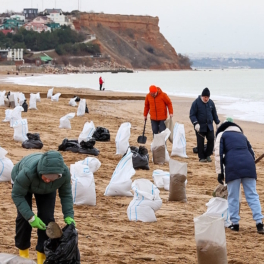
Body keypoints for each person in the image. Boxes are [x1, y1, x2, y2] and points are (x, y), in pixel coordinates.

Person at [11, 150, 75, 264]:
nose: (48, 180)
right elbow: (17, 194)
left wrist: (69, 215)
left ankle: (42, 257)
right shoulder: (28, 172)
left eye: (52, 177)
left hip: (47, 190)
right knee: (24, 219)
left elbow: (66, 194)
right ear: (41, 171)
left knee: (47, 219)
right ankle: (23, 256)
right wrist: (31, 217)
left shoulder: (64, 174)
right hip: (23, 187)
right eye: (46, 176)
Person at [215, 118, 264, 234]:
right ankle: (259, 224)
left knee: (233, 196)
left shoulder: (222, 135)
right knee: (252, 195)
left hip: (232, 166)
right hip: (249, 166)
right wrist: (250, 165)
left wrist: (220, 172)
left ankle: (235, 224)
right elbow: (251, 153)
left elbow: (218, 154)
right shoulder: (243, 136)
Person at [189, 87, 221, 162]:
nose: (206, 99)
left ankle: (208, 155)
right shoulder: (196, 103)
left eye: (208, 97)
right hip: (200, 127)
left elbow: (214, 114)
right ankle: (201, 157)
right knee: (200, 142)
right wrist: (195, 123)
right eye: (205, 97)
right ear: (202, 96)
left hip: (209, 126)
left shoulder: (211, 103)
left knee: (211, 140)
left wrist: (217, 122)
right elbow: (192, 115)